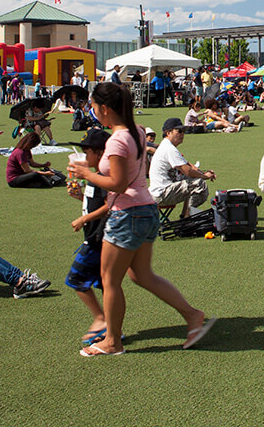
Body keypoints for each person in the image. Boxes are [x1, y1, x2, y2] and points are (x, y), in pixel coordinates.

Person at [66, 82, 214, 356]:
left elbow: (118, 183)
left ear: (105, 108)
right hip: (145, 209)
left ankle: (112, 341)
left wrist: (86, 173)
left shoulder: (117, 138)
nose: (92, 111)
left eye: (94, 106)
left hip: (128, 214)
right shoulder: (135, 131)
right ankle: (192, 315)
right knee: (142, 274)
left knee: (109, 279)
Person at [66, 128, 113, 346]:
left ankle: (101, 319)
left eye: (87, 152)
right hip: (96, 236)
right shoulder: (93, 177)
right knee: (105, 284)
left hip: (97, 238)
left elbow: (108, 206)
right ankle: (112, 328)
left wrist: (83, 220)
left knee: (76, 278)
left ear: (100, 152)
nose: (84, 158)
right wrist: (78, 195)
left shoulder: (103, 177)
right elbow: (93, 203)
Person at [149, 118, 217, 219]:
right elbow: (187, 171)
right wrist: (204, 176)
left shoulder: (167, 146)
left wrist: (203, 173)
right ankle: (187, 218)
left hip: (160, 192)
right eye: (179, 131)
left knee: (191, 181)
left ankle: (186, 216)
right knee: (199, 184)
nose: (182, 134)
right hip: (161, 194)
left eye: (184, 131)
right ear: (168, 133)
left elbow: (188, 167)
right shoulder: (169, 148)